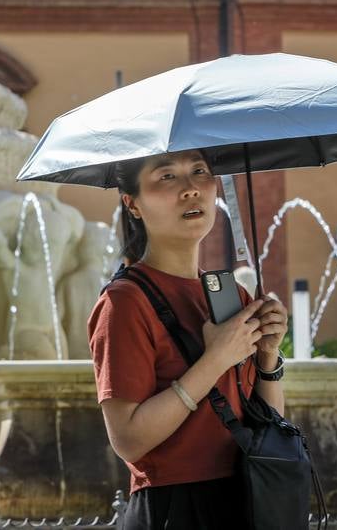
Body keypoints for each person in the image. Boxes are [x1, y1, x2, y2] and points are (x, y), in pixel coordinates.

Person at [87, 150, 289, 529]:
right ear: (132, 204)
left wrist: (268, 356)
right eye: (167, 177)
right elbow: (128, 440)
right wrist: (215, 359)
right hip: (176, 507)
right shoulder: (124, 302)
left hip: (247, 495)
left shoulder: (230, 295)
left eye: (199, 172)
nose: (191, 189)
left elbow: (270, 421)